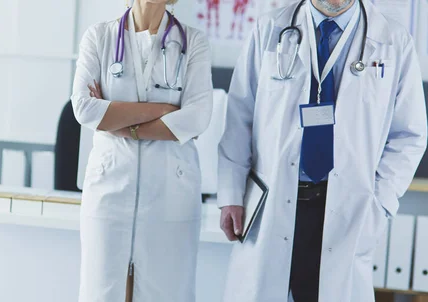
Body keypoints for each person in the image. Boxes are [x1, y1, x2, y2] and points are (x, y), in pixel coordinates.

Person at [217, 0, 427, 301]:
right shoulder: (271, 29)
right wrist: (230, 195)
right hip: (271, 202)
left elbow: (409, 135)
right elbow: (239, 118)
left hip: (348, 206)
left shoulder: (392, 40)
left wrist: (380, 201)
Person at [71, 0, 213, 300]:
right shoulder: (99, 37)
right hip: (109, 195)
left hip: (170, 198)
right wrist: (163, 110)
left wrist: (120, 122)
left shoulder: (193, 42)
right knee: (103, 293)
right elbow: (84, 109)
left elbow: (197, 116)